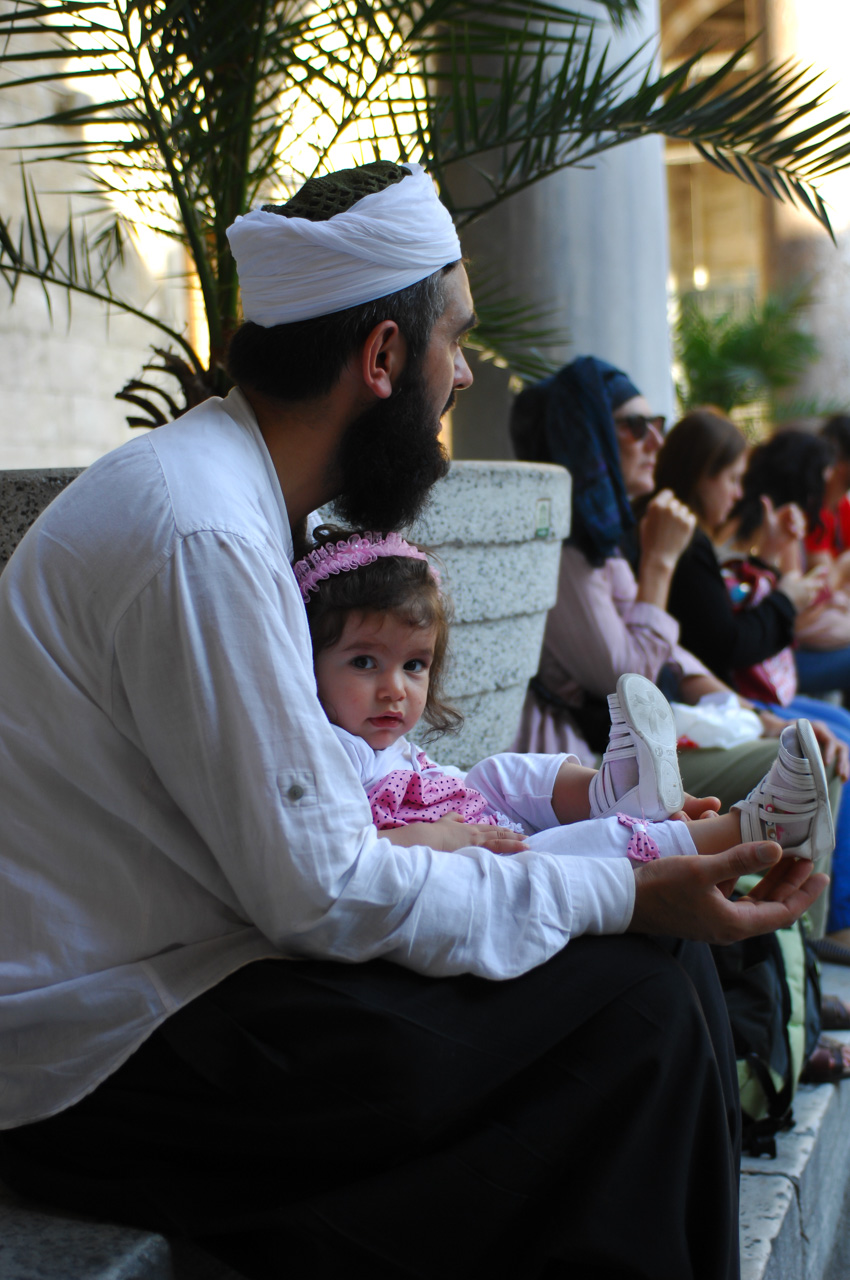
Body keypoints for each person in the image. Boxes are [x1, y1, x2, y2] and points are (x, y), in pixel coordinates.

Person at [0, 162, 827, 1280]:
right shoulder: (198, 532)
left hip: (209, 979)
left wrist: (597, 862)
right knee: (637, 1010)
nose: (465, 372)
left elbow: (321, 842)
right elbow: (320, 888)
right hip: (108, 1049)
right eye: (457, 340)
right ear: (384, 357)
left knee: (658, 978)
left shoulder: (222, 498)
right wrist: (619, 884)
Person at [299, 524, 834, 868]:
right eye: (364, 662)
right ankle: (753, 826)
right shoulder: (325, 750)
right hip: (470, 865)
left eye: (414, 665)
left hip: (474, 827)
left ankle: (615, 790)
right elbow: (345, 857)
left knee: (496, 773)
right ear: (308, 661)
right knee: (563, 854)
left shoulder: (383, 740)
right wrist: (440, 839)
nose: (395, 688)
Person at [509, 357, 846, 815]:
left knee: (826, 742)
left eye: (658, 424)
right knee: (815, 764)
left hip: (658, 733)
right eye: (636, 426)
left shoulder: (607, 538)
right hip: (593, 757)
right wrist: (661, 562)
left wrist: (758, 719)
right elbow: (631, 681)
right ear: (591, 436)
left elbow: (679, 659)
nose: (656, 441)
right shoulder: (574, 546)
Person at [655, 413, 850, 950]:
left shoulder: (684, 538)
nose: (740, 491)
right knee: (824, 758)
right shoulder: (675, 540)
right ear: (700, 474)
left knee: (837, 737)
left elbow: (692, 655)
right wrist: (788, 586)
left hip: (725, 700)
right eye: (731, 477)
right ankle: (814, 937)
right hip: (705, 710)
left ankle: (814, 934)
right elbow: (731, 642)